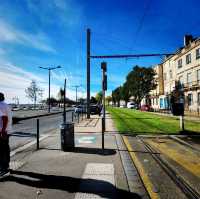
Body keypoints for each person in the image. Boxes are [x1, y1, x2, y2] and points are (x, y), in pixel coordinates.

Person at [0, 93, 12, 178]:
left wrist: (2, 131)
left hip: (2, 131)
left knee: (2, 150)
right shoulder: (6, 105)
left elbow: (4, 118)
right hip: (6, 131)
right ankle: (6, 166)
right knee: (5, 148)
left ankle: (4, 169)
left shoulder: (1, 105)